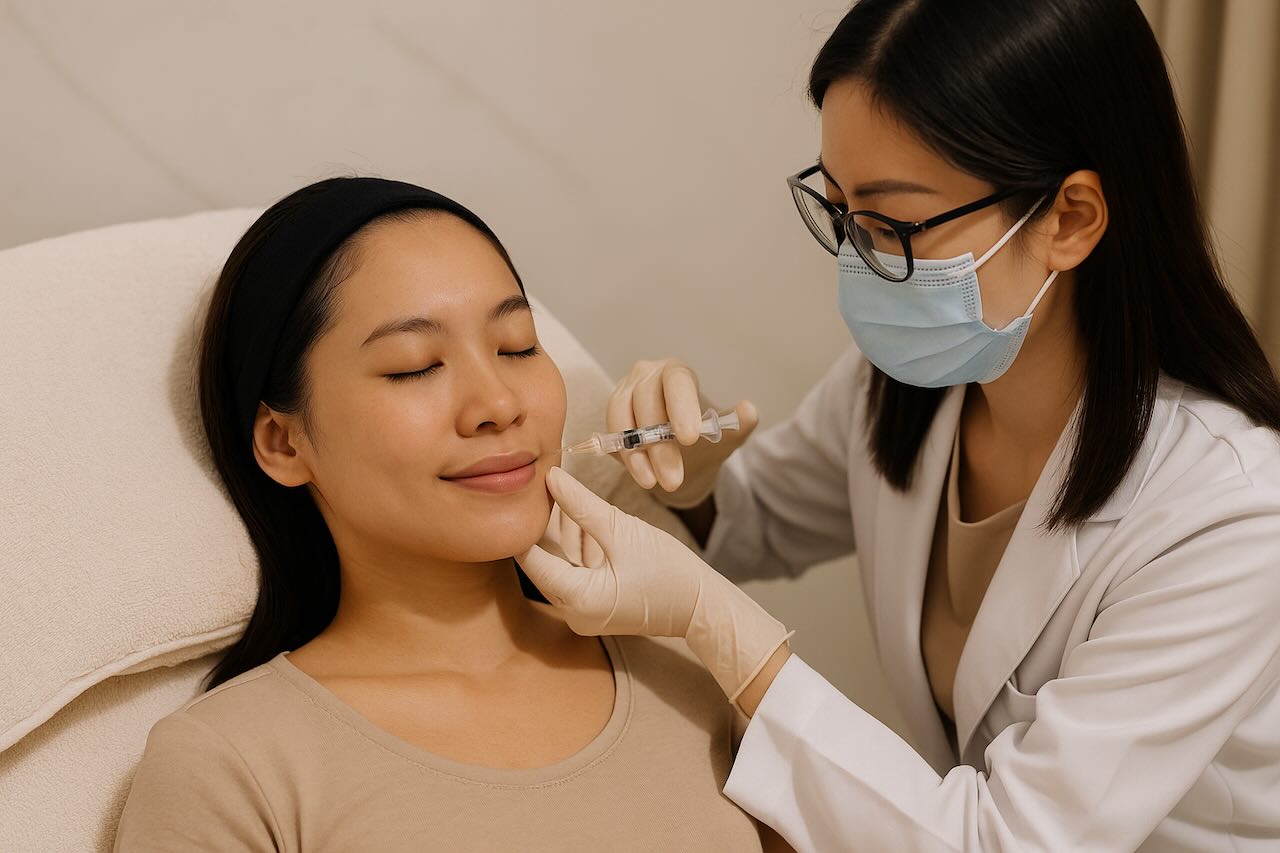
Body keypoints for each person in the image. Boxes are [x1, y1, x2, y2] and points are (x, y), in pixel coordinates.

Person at [516, 1, 1280, 849]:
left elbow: (1004, 841)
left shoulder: (1231, 516)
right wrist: (696, 483)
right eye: (839, 210)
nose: (858, 261)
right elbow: (754, 524)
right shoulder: (909, 387)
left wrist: (714, 619)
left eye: (890, 224)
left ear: (1068, 219)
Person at [113, 177, 788, 852]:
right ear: (285, 441)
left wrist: (735, 640)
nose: (497, 401)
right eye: (414, 366)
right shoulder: (228, 768)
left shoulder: (689, 671)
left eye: (518, 345)